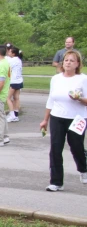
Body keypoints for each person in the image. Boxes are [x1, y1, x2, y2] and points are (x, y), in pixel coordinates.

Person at [40, 50, 87, 191]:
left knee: (76, 146)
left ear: (77, 64)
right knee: (55, 148)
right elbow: (51, 100)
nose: (68, 63)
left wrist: (78, 98)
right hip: (57, 117)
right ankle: (56, 182)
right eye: (66, 60)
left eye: (72, 60)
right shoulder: (56, 79)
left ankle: (84, 169)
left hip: (77, 118)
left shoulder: (83, 79)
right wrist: (45, 120)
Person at [6, 45, 24, 122]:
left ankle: (12, 114)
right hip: (19, 81)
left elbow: (6, 66)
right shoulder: (19, 60)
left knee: (8, 98)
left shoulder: (12, 60)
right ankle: (16, 114)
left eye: (10, 51)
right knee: (16, 98)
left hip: (13, 81)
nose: (8, 52)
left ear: (13, 54)